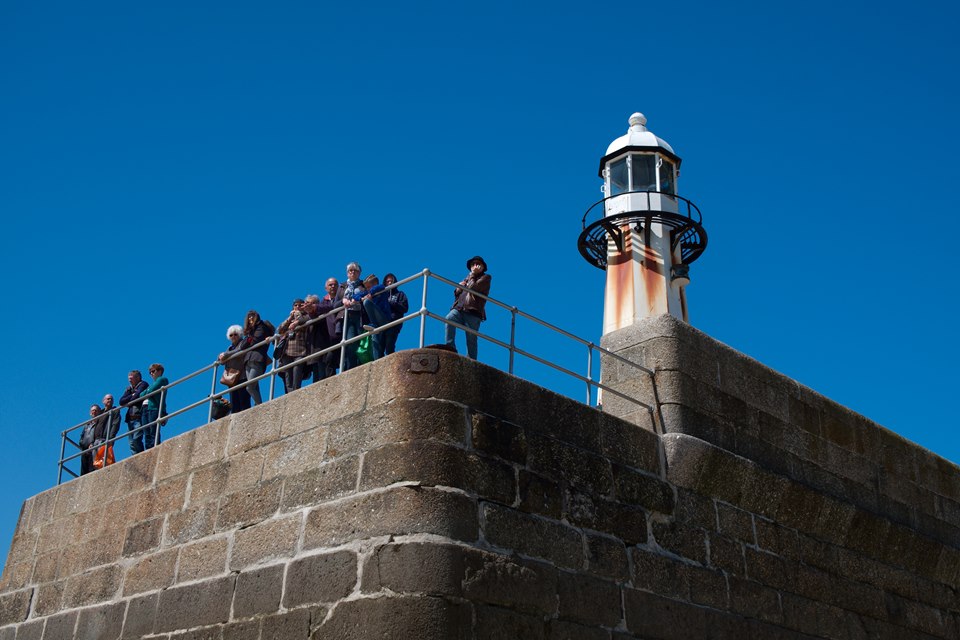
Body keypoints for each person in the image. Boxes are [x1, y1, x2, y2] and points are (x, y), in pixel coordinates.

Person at [445, 256, 492, 360]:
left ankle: (472, 360)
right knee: (449, 318)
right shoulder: (467, 278)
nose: (474, 266)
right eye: (472, 264)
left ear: (483, 267)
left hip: (473, 311)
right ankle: (450, 347)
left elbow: (473, 288)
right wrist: (458, 288)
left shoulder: (485, 278)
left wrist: (472, 276)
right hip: (459, 308)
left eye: (477, 264)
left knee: (471, 338)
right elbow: (458, 294)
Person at [334, 262, 366, 371]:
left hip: (360, 315)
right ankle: (351, 368)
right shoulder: (342, 286)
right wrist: (343, 301)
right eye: (350, 270)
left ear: (359, 273)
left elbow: (367, 296)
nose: (352, 272)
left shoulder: (363, 285)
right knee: (350, 342)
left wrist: (357, 299)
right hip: (347, 316)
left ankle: (360, 365)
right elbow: (335, 304)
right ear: (347, 273)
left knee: (361, 341)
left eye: (355, 270)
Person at [277, 298, 312, 392]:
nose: (297, 307)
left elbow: (305, 321)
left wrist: (297, 315)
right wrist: (289, 319)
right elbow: (280, 330)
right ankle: (290, 393)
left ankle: (296, 391)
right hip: (287, 351)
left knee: (297, 372)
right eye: (295, 305)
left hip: (300, 350)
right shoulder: (290, 319)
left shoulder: (307, 316)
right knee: (288, 375)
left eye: (300, 305)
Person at [242, 310, 273, 405]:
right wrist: (249, 337)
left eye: (252, 316)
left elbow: (255, 340)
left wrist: (248, 339)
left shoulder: (261, 326)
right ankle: (257, 404)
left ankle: (259, 405)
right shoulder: (250, 331)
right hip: (248, 360)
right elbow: (243, 345)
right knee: (254, 386)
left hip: (257, 359)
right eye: (249, 317)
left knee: (249, 387)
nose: (250, 318)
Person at [219, 325, 251, 413]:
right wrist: (220, 357)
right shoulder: (229, 348)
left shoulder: (243, 343)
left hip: (242, 375)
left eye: (235, 334)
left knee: (244, 399)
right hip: (232, 378)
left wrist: (226, 355)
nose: (233, 337)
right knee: (234, 401)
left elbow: (240, 351)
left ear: (240, 334)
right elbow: (221, 360)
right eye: (231, 335)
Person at [361, 275, 393, 360]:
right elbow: (357, 295)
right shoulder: (368, 292)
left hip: (384, 318)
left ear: (374, 283)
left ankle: (373, 324)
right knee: (374, 335)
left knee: (366, 302)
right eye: (366, 288)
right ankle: (377, 360)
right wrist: (355, 299)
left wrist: (370, 294)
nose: (367, 289)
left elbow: (379, 287)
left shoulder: (381, 288)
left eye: (368, 287)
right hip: (377, 322)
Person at [119, 370, 149, 454]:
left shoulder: (143, 384)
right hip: (130, 418)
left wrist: (130, 399)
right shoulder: (129, 388)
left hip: (138, 416)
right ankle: (135, 457)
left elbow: (137, 396)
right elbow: (121, 401)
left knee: (136, 439)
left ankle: (141, 456)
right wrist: (131, 396)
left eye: (131, 378)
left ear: (138, 378)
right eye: (128, 379)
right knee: (131, 443)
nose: (129, 380)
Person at [140, 363, 168, 450]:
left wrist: (147, 391)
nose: (151, 373)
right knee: (146, 431)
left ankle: (155, 448)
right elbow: (141, 395)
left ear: (159, 371)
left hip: (154, 408)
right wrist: (147, 391)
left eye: (153, 371)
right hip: (146, 408)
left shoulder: (162, 379)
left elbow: (150, 391)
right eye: (150, 372)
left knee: (153, 430)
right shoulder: (153, 383)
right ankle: (149, 449)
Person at [318, 278, 341, 378]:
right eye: (330, 285)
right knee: (329, 360)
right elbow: (316, 312)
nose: (333, 286)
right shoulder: (323, 302)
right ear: (326, 288)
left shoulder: (342, 297)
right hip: (330, 338)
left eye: (335, 284)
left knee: (345, 357)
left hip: (342, 332)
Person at [382, 273, 409, 355]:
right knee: (380, 345)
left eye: (391, 281)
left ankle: (390, 362)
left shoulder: (400, 294)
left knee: (389, 345)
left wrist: (393, 303)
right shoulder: (382, 295)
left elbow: (405, 308)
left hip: (394, 322)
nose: (389, 283)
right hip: (383, 322)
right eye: (387, 281)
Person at [79, 404, 100, 475]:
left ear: (99, 412)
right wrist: (82, 444)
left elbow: (98, 436)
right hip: (84, 450)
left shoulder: (99, 424)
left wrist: (92, 444)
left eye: (95, 410)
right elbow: (82, 436)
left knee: (91, 469)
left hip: (92, 449)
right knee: (83, 471)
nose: (94, 412)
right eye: (92, 410)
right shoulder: (87, 425)